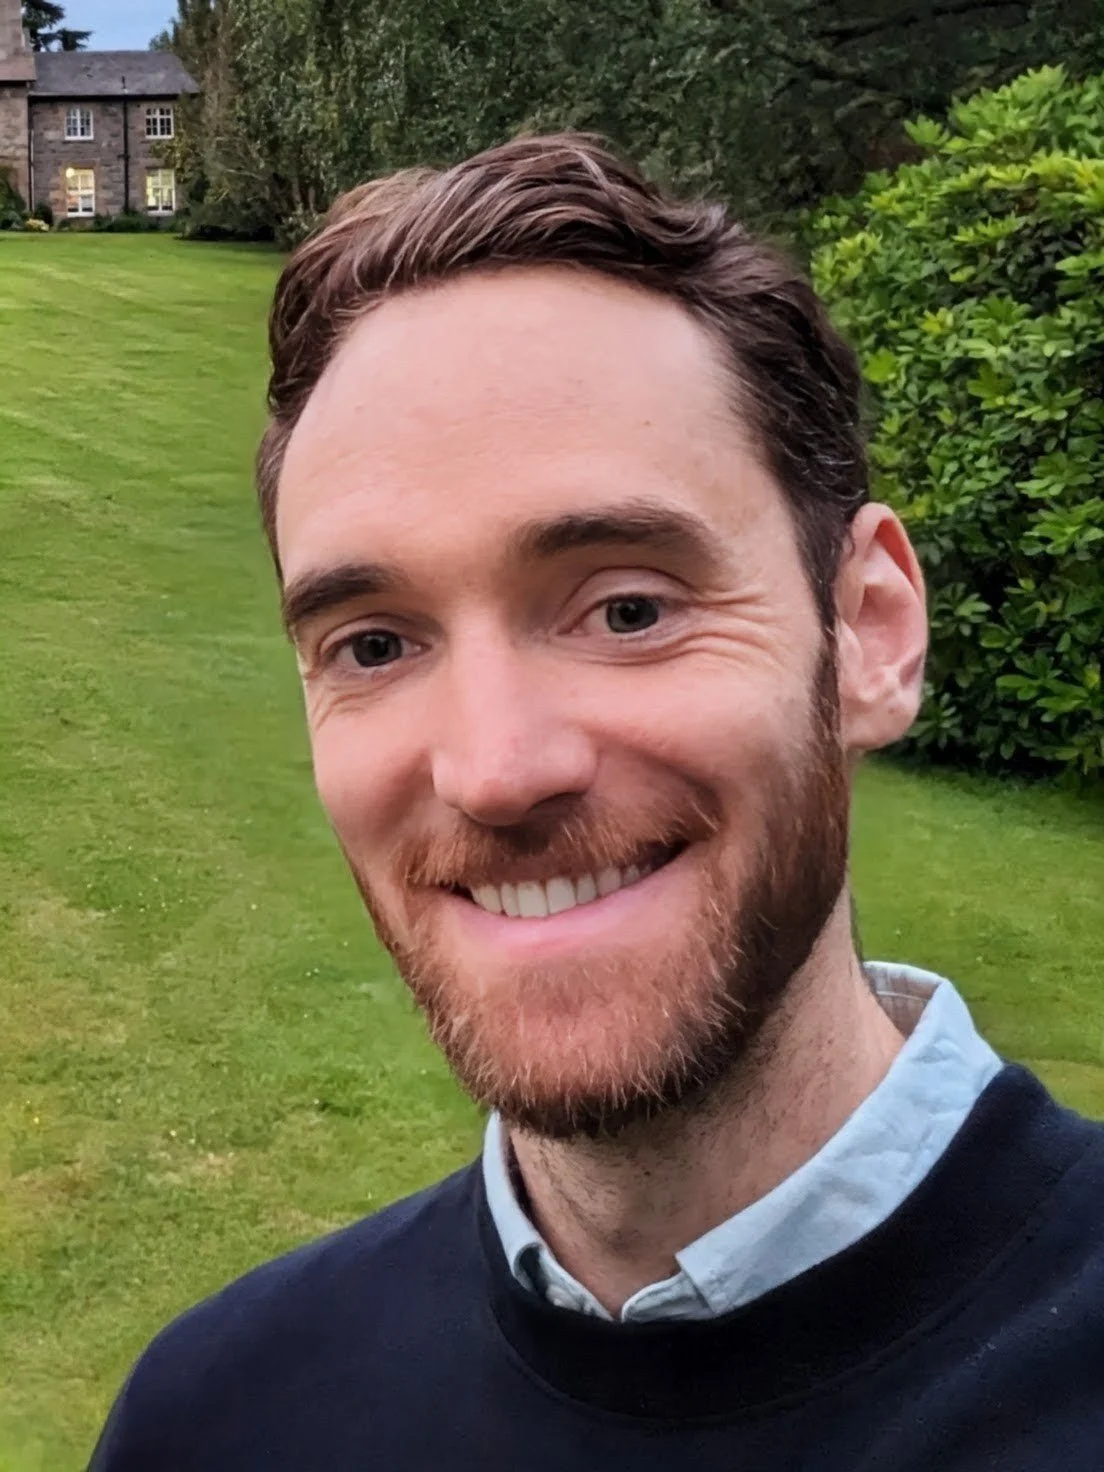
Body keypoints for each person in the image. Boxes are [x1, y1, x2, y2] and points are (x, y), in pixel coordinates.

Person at [88, 134, 1104, 1471]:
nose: (495, 770)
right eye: (376, 644)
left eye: (630, 608)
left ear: (869, 632)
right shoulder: (216, 1418)